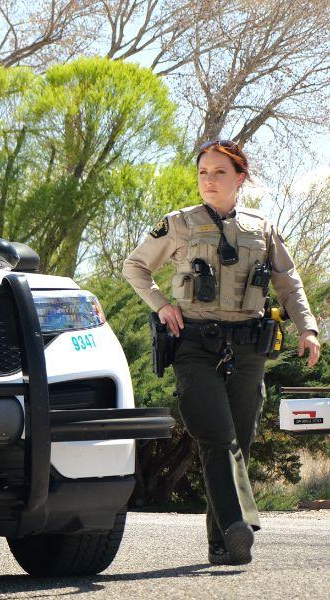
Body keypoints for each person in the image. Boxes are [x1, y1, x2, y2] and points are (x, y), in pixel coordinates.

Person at [122, 140, 322, 566]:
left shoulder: (261, 227)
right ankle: (240, 523)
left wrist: (308, 327)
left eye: (218, 172)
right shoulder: (178, 223)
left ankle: (223, 543)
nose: (208, 180)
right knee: (217, 435)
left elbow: (289, 282)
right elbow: (134, 266)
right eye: (202, 173)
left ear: (240, 177)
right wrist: (162, 304)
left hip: (249, 344)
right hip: (195, 342)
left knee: (241, 440)